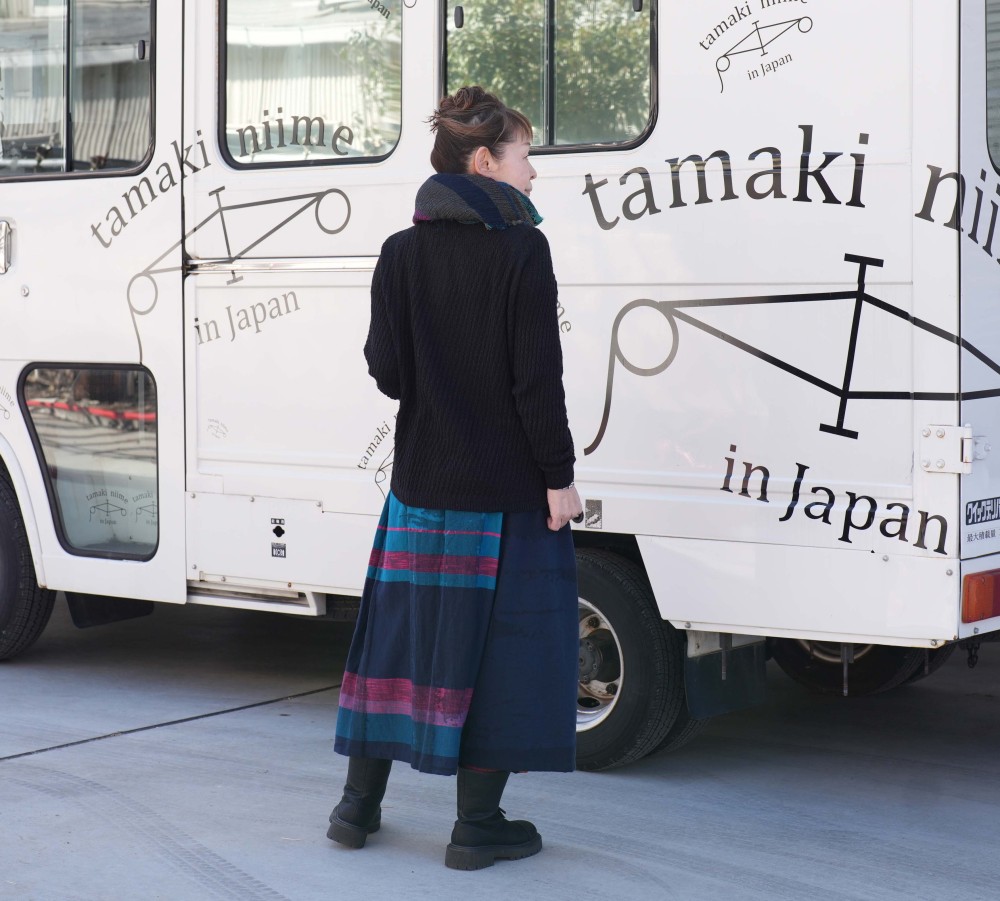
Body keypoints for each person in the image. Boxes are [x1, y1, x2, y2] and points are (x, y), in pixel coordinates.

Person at [329, 85, 583, 871]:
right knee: (501, 654)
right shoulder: (522, 249)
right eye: (524, 156)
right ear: (484, 162)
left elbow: (386, 370)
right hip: (503, 496)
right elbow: (536, 381)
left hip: (420, 486)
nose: (533, 173)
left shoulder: (400, 252)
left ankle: (355, 808)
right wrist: (560, 477)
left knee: (393, 644)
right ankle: (476, 827)